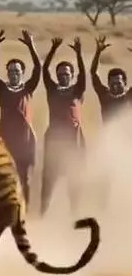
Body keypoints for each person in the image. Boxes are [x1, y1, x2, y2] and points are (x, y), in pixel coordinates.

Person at [0, 29, 41, 206]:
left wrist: (31, 45)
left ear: (22, 72)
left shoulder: (28, 88)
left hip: (25, 139)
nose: (14, 74)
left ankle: (25, 211)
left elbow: (38, 68)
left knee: (25, 178)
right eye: (11, 71)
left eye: (17, 71)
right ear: (7, 73)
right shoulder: (1, 88)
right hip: (5, 137)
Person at [41, 36, 86, 215]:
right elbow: (45, 70)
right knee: (49, 179)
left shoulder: (77, 91)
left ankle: (75, 214)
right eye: (60, 74)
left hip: (74, 140)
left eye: (66, 74)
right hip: (54, 139)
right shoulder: (52, 90)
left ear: (72, 75)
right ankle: (43, 214)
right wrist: (53, 49)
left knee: (74, 178)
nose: (63, 77)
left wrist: (79, 53)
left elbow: (83, 75)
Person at [91, 35, 132, 121]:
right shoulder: (104, 95)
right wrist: (98, 52)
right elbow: (93, 73)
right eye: (112, 83)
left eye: (118, 83)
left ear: (125, 82)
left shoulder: (129, 95)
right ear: (108, 83)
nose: (115, 86)